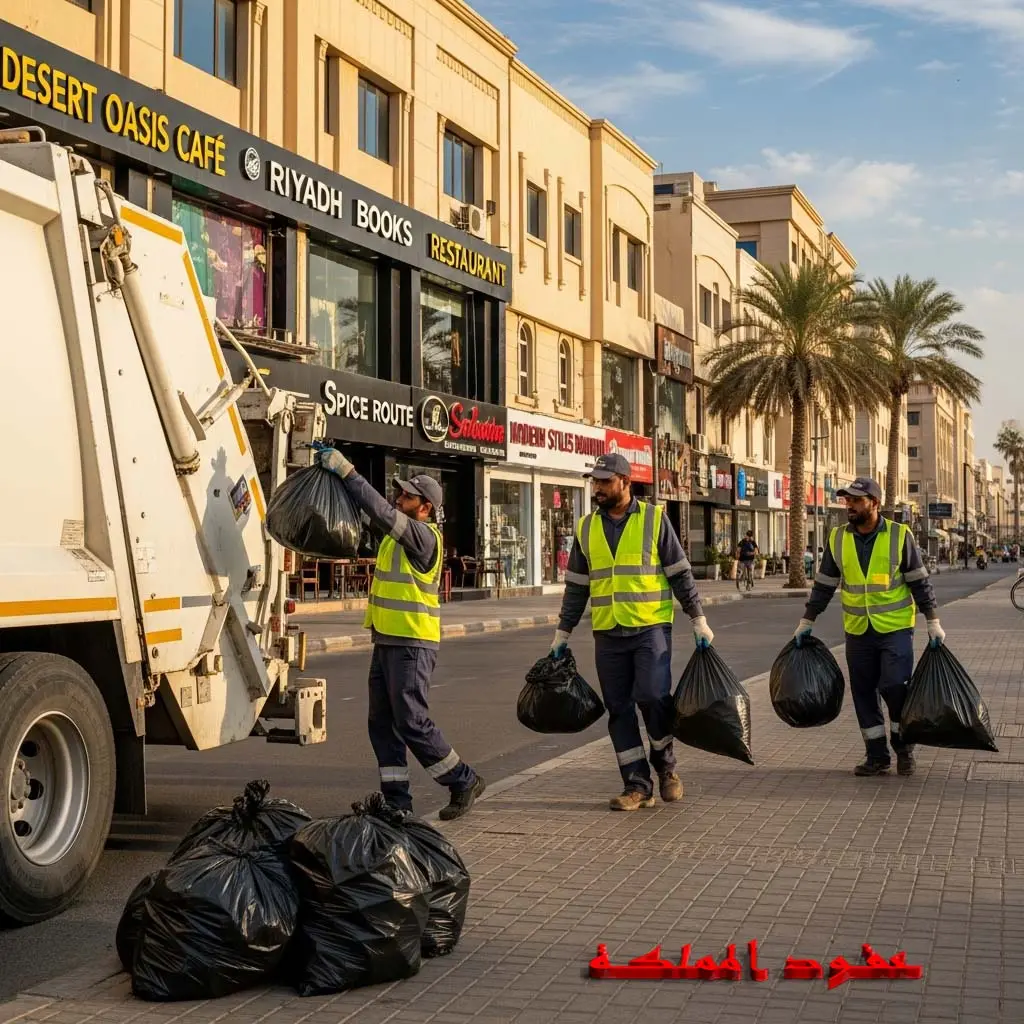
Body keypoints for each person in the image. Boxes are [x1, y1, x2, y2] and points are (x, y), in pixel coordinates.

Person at [318, 448, 485, 820]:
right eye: (399, 494)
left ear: (425, 507)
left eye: (407, 496)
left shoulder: (422, 536)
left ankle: (462, 779)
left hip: (412, 642)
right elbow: (371, 512)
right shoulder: (398, 539)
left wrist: (347, 471)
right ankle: (397, 801)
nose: (398, 499)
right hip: (388, 640)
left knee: (411, 720)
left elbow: (379, 510)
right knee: (381, 722)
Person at [549, 452, 715, 811]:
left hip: (649, 628)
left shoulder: (655, 520)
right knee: (619, 709)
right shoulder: (585, 527)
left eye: (605, 481)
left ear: (625, 482)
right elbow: (577, 586)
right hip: (608, 633)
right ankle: (637, 786)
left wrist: (697, 618)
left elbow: (679, 573)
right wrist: (563, 632)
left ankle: (665, 765)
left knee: (654, 697)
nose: (598, 488)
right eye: (595, 481)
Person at [793, 476, 944, 777]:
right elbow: (824, 584)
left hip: (895, 629)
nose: (849, 505)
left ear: (874, 504)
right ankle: (877, 755)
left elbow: (918, 581)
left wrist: (933, 620)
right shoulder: (837, 538)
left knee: (893, 687)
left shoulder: (899, 536)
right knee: (863, 691)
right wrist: (807, 620)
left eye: (856, 500)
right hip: (858, 630)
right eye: (847, 500)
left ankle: (903, 746)